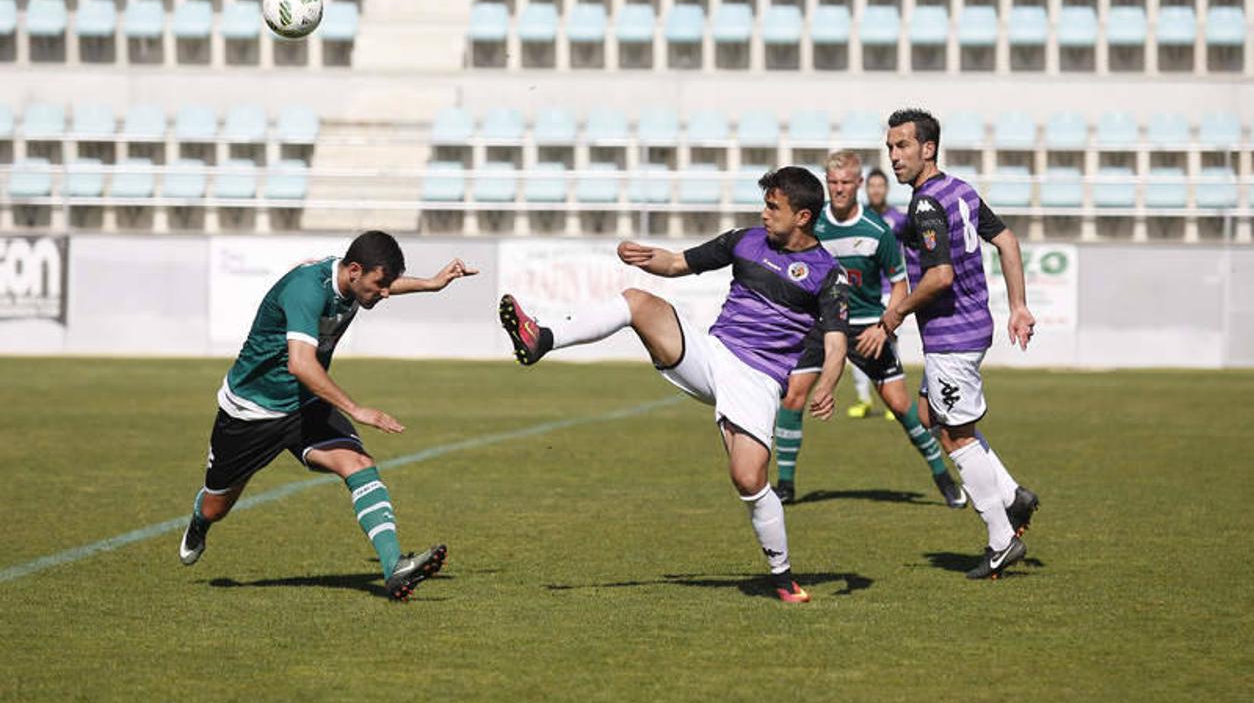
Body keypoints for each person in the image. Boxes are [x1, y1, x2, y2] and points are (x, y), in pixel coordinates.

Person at [498, 167, 851, 604]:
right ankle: (542, 339)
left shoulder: (827, 273)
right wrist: (646, 256)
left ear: (803, 217)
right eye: (764, 204)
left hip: (758, 378)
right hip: (713, 354)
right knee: (637, 302)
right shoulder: (744, 240)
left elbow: (836, 342)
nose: (764, 214)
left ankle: (782, 576)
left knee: (748, 478)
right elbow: (678, 264)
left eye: (773, 208)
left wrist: (829, 384)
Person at [178, 231, 478, 601]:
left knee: (358, 463)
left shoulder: (354, 282)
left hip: (305, 405)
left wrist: (431, 284)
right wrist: (357, 410)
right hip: (250, 412)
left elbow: (382, 283)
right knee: (216, 506)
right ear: (354, 271)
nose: (385, 293)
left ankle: (394, 569)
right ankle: (199, 518)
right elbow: (301, 364)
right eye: (380, 285)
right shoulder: (307, 290)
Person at [873, 109, 1040, 580]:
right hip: (970, 327)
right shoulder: (959, 189)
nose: (894, 156)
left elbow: (940, 276)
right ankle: (1012, 495)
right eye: (889, 147)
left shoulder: (926, 203)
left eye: (902, 146)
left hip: (952, 335)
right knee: (928, 415)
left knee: (955, 435)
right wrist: (1019, 306)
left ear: (928, 149)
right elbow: (1006, 240)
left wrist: (897, 312)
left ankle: (1000, 538)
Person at [772, 151, 966, 511]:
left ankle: (943, 477)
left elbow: (899, 284)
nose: (839, 189)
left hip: (866, 326)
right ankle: (785, 484)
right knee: (794, 395)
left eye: (846, 182)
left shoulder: (878, 231)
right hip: (818, 325)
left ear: (859, 184)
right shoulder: (811, 225)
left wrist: (885, 325)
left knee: (900, 404)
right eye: (833, 183)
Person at [845, 167, 904, 419]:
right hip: (863, 293)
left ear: (886, 189)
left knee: (889, 342)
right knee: (859, 347)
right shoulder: (860, 217)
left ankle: (895, 400)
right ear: (866, 188)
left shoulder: (899, 220)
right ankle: (864, 399)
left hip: (890, 292)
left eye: (880, 186)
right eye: (872, 186)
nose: (876, 190)